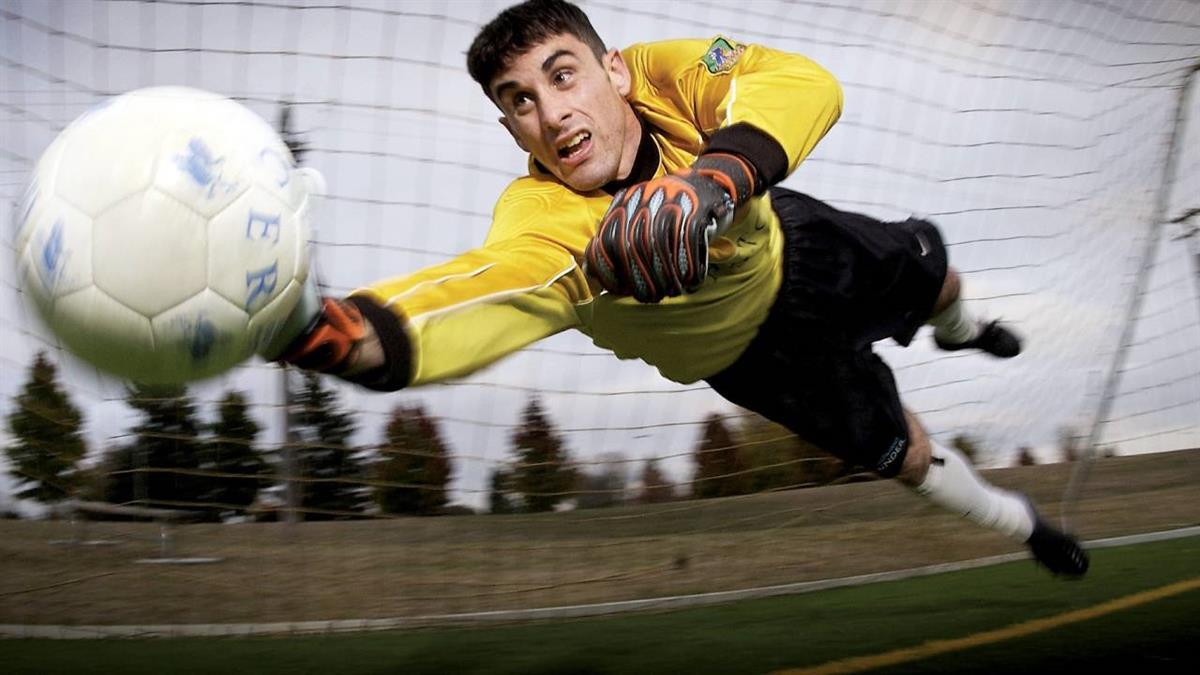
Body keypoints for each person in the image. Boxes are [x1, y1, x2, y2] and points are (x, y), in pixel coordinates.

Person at [271, 0, 1087, 576]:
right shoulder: (542, 218)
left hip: (796, 244)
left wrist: (714, 180)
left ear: (614, 72)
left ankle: (959, 326)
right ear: (509, 127)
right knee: (905, 454)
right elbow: (479, 291)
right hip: (755, 359)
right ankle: (1026, 525)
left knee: (935, 274)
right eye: (520, 102)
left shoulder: (675, 72)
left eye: (563, 76)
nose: (551, 114)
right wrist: (336, 331)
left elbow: (798, 81)